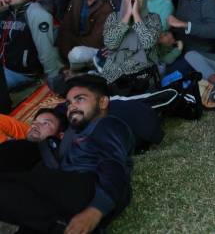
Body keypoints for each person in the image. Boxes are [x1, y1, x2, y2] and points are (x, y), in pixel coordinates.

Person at [0, 75, 134, 232]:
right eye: (69, 103)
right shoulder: (77, 131)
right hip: (62, 185)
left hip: (84, 186)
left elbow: (114, 166)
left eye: (80, 99)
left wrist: (94, 211)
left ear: (103, 102)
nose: (72, 106)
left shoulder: (108, 124)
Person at [0, 0, 61, 90]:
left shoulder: (37, 14)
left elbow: (46, 49)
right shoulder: (6, 12)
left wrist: (53, 77)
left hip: (22, 72)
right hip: (4, 66)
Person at [98, 0, 161, 92]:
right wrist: (127, 15)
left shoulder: (154, 18)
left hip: (142, 76)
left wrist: (136, 14)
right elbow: (110, 43)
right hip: (113, 72)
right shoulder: (113, 17)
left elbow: (148, 43)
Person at [57, 0, 118, 69]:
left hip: (97, 49)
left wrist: (71, 41)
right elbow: (65, 28)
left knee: (76, 54)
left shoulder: (107, 5)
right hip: (74, 44)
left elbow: (96, 41)